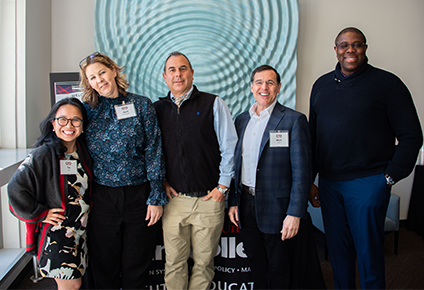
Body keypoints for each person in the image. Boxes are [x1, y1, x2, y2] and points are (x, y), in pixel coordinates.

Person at [309, 27, 423, 289]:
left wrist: (388, 176)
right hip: (329, 184)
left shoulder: (388, 84)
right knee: (338, 254)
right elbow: (314, 137)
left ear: (365, 48)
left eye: (357, 45)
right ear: (335, 50)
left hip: (368, 183)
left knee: (369, 254)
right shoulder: (321, 85)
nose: (350, 50)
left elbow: (411, 136)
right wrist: (311, 180)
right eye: (344, 45)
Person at [227, 65, 325, 289]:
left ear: (279, 87)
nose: (264, 87)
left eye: (270, 83)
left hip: (278, 209)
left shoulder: (293, 120)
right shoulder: (241, 120)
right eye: (259, 82)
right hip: (246, 204)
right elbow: (236, 164)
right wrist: (233, 202)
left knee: (279, 268)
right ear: (251, 87)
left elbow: (302, 172)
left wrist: (295, 213)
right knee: (256, 264)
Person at [78, 52, 168, 289]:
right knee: (104, 265)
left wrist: (156, 196)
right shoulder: (86, 112)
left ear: (114, 71)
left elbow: (153, 149)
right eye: (93, 78)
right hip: (103, 197)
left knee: (136, 265)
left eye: (102, 73)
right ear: (88, 83)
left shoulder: (141, 104)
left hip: (140, 196)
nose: (99, 80)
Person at [153, 51, 237, 290]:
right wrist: (162, 182)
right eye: (172, 70)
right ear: (164, 76)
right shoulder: (157, 109)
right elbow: (152, 152)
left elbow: (229, 147)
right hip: (174, 201)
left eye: (183, 69)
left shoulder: (213, 103)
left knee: (203, 264)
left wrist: (222, 187)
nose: (177, 74)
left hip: (209, 199)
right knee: (174, 263)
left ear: (191, 73)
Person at [8, 98, 92, 290]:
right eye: (62, 119)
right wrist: (41, 213)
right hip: (58, 237)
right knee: (71, 285)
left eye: (75, 120)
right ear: (53, 124)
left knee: (74, 284)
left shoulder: (82, 152)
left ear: (83, 125)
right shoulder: (43, 154)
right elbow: (15, 189)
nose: (69, 125)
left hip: (79, 234)